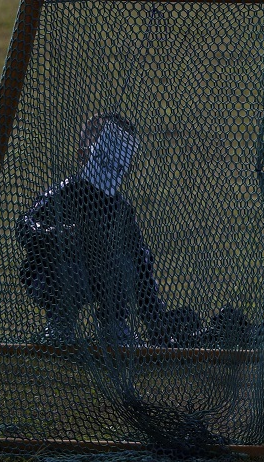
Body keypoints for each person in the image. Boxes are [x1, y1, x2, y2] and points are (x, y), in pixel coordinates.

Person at [17, 113, 175, 347]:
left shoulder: (120, 210)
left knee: (125, 266)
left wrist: (155, 321)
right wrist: (58, 235)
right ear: (83, 154)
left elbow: (141, 261)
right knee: (71, 274)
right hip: (54, 275)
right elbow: (25, 226)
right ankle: (60, 325)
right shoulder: (63, 194)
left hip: (102, 277)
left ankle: (113, 326)